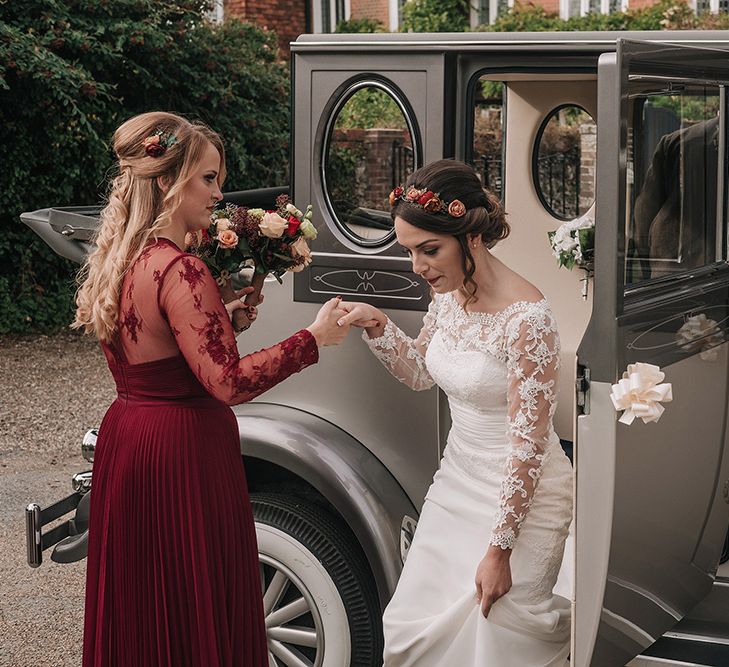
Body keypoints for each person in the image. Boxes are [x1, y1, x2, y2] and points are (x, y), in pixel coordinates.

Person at [72, 111, 348, 666]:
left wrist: (228, 321)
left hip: (128, 440)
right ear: (170, 183)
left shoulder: (123, 259)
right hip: (182, 450)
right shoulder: (181, 270)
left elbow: (161, 350)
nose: (220, 193)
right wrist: (314, 338)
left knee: (146, 600)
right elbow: (227, 382)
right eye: (209, 178)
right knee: (192, 594)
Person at [336, 159, 573, 666]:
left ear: (472, 237)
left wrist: (499, 551)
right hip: (457, 481)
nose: (419, 267)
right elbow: (423, 373)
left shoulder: (528, 318)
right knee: (415, 626)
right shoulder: (448, 296)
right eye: (410, 252)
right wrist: (378, 326)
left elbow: (527, 445)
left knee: (498, 633)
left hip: (521, 498)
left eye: (430, 250)